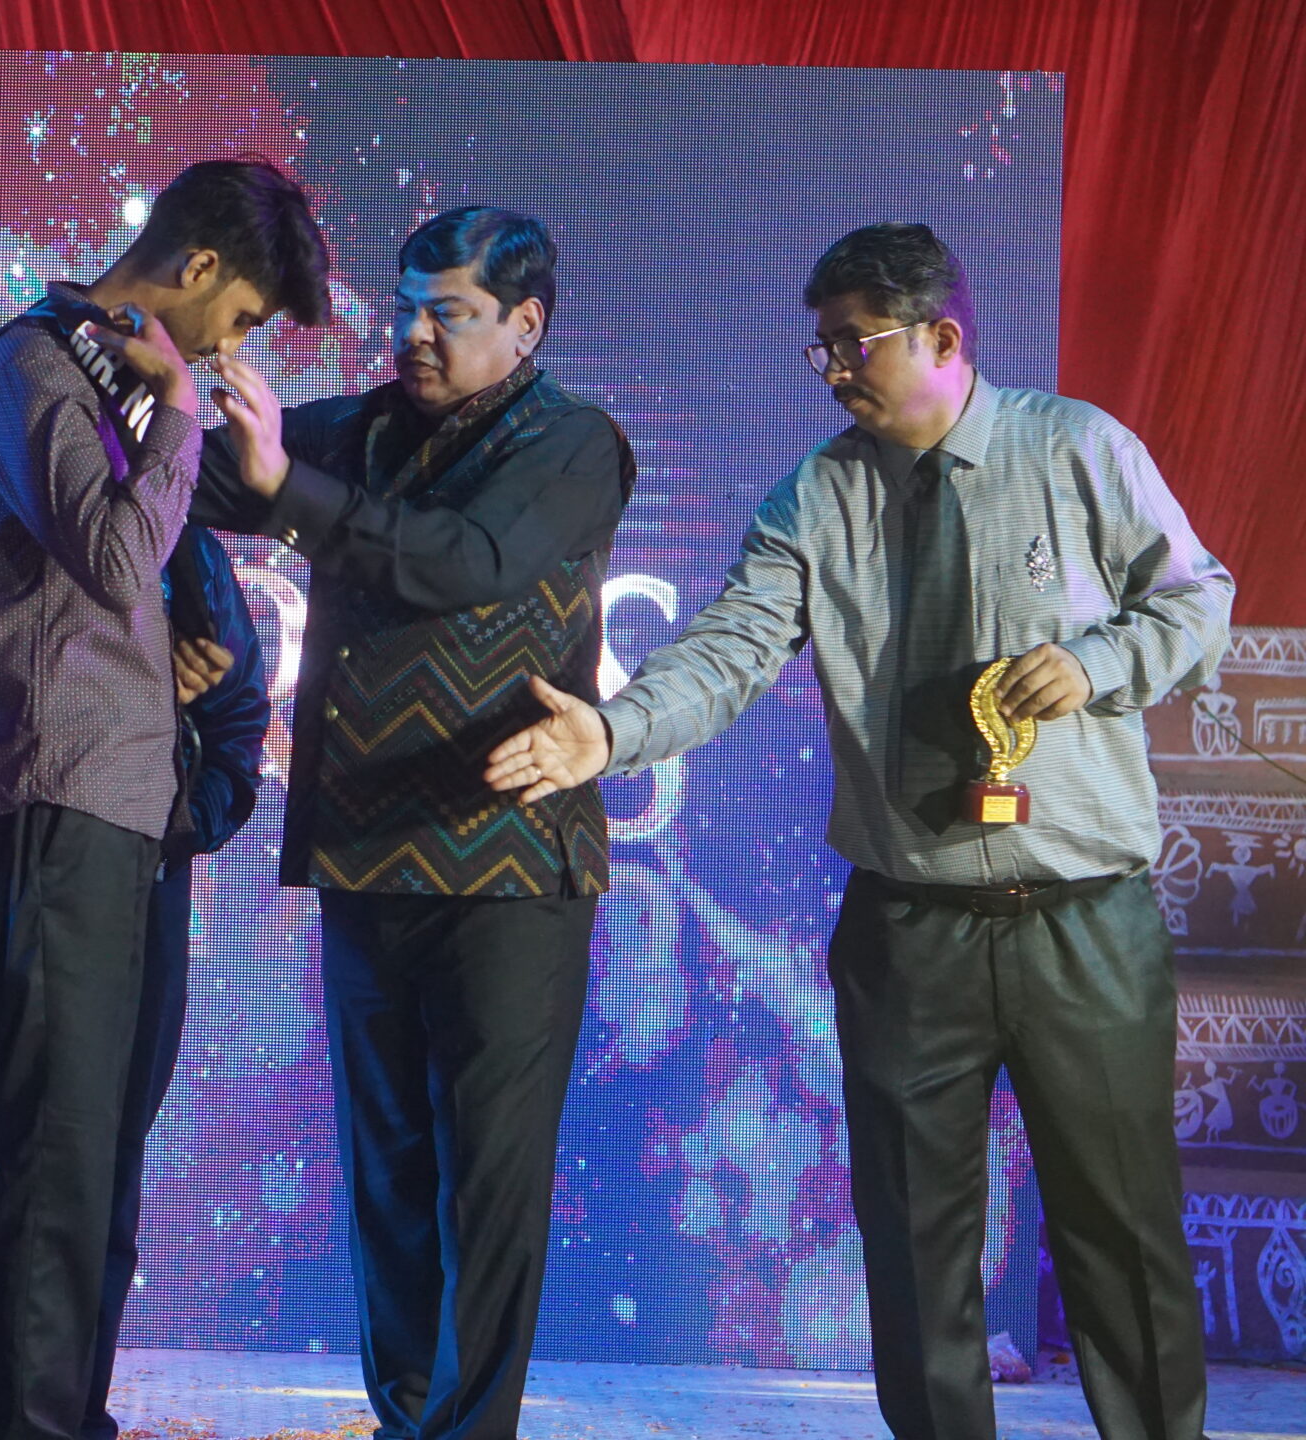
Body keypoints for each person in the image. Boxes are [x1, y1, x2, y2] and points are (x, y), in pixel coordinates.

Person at [488, 222, 1232, 1440]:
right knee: (914, 1238)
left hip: (1082, 919)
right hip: (908, 926)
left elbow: (1196, 600)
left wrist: (1097, 663)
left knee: (1121, 1233)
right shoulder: (816, 496)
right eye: (822, 347)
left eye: (854, 342)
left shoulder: (1078, 448)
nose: (832, 368)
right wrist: (610, 734)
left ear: (942, 338)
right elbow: (730, 650)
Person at [154, 205, 635, 1440]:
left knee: (488, 1181)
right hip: (365, 850)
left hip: (510, 864)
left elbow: (464, 559)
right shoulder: (358, 430)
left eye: (449, 314)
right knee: (387, 1172)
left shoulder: (572, 443)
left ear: (524, 324)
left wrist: (287, 490)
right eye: (407, 309)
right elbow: (181, 480)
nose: (414, 335)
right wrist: (132, 392)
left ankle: (469, 1429)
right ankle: (402, 1416)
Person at [0, 154, 329, 1440]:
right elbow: (110, 553)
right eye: (238, 318)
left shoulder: (109, 384)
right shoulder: (31, 364)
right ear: (195, 267)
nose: (230, 348)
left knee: (82, 1159)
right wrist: (180, 410)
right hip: (50, 795)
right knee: (47, 1162)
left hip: (116, 812)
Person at [0, 484, 268, 1440]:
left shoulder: (181, 543)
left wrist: (165, 829)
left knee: (98, 1161)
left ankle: (68, 1413)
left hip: (131, 891)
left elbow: (237, 718)